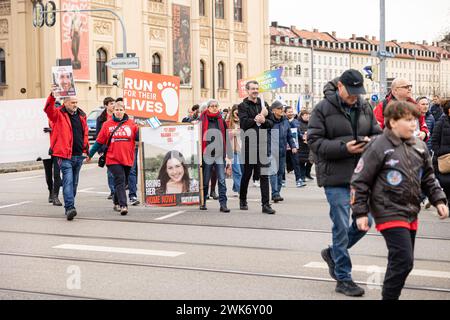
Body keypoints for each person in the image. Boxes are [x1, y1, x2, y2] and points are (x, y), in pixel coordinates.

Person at [351, 100, 449, 300]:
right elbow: (360, 181)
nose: (413, 124)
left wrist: (439, 200)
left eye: (415, 120)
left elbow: (428, 177)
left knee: (405, 262)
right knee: (402, 260)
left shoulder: (419, 146)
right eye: (408, 120)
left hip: (410, 211)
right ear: (392, 122)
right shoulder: (378, 146)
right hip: (388, 210)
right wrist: (360, 212)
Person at [308, 69, 382, 297]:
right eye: (351, 92)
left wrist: (371, 141)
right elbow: (314, 141)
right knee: (340, 225)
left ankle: (332, 253)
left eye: (357, 92)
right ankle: (343, 277)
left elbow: (378, 133)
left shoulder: (364, 106)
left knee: (365, 222)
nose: (354, 97)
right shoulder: (322, 108)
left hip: (360, 176)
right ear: (340, 86)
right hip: (335, 177)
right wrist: (344, 148)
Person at [44, 90, 89, 221]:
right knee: (68, 181)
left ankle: (69, 206)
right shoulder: (58, 114)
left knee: (74, 183)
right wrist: (52, 96)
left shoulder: (81, 115)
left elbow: (84, 134)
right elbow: (48, 109)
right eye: (72, 102)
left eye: (76, 102)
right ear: (65, 102)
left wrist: (86, 150)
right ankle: (70, 207)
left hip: (78, 155)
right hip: (64, 156)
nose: (75, 105)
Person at [88, 101, 139, 216]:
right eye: (117, 110)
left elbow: (138, 137)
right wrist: (90, 155)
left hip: (127, 158)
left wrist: (146, 128)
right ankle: (123, 205)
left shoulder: (131, 124)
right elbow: (99, 142)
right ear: (113, 111)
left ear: (124, 111)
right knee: (120, 179)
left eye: (121, 110)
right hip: (112, 158)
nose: (119, 112)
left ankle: (116, 201)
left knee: (123, 181)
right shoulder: (107, 124)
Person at [239, 81, 275, 214]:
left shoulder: (264, 105)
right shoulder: (242, 106)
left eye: (256, 88)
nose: (255, 91)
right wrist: (258, 118)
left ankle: (265, 204)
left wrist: (265, 120)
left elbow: (271, 123)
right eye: (252, 89)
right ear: (247, 91)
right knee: (247, 174)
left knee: (264, 175)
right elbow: (244, 123)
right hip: (250, 145)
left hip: (263, 144)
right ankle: (243, 199)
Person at [199, 99, 231, 212]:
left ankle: (223, 204)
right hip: (206, 154)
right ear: (207, 107)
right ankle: (203, 202)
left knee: (222, 180)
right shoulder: (201, 120)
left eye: (216, 106)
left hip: (219, 154)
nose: (214, 108)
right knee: (206, 179)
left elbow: (226, 138)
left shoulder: (221, 120)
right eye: (211, 106)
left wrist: (228, 156)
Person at [268, 101, 297, 203]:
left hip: (282, 151)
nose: (282, 110)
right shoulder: (269, 122)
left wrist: (293, 146)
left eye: (282, 108)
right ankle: (275, 193)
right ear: (274, 110)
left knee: (280, 172)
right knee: (274, 172)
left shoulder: (285, 121)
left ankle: (277, 193)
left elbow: (289, 135)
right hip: (272, 151)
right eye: (279, 108)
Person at [96, 97, 116, 200]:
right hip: (106, 148)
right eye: (111, 103)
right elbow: (98, 135)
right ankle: (113, 191)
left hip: (117, 146)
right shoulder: (101, 118)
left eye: (114, 103)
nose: (114, 105)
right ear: (106, 105)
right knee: (110, 171)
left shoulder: (118, 116)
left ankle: (117, 190)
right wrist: (100, 150)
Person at [431, 99, 450, 201]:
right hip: (445, 160)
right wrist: (441, 154)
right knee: (447, 185)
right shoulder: (440, 123)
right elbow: (434, 142)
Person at [42, 121, 62, 206]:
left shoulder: (57, 114)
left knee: (57, 174)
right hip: (45, 150)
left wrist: (52, 130)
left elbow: (62, 130)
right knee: (48, 174)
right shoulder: (39, 117)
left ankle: (55, 196)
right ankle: (50, 191)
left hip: (56, 149)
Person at [284, 106, 303, 187]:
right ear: (285, 113)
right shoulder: (283, 121)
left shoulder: (296, 121)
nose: (291, 113)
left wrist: (303, 137)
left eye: (292, 111)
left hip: (294, 146)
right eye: (289, 112)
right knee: (282, 164)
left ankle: (299, 179)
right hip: (284, 146)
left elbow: (298, 133)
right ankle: (282, 180)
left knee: (296, 163)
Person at [227, 104, 243, 196]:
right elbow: (225, 137)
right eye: (236, 110)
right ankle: (241, 191)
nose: (238, 112)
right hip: (231, 149)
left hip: (241, 149)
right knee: (238, 171)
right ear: (233, 112)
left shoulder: (243, 122)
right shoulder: (228, 122)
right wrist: (232, 133)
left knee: (240, 170)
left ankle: (235, 187)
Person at [298, 110, 314, 185]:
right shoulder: (298, 123)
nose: (308, 116)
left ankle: (307, 174)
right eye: (306, 115)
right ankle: (302, 176)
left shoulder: (311, 123)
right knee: (302, 162)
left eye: (308, 115)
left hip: (310, 145)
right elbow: (297, 132)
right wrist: (303, 136)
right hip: (301, 145)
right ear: (302, 116)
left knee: (310, 161)